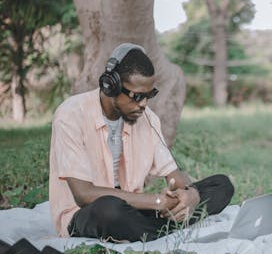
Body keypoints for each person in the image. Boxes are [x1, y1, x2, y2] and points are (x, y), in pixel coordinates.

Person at [49, 43, 234, 242]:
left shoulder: (148, 119)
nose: (144, 104)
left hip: (134, 210)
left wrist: (190, 196)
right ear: (111, 86)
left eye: (149, 95)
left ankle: (152, 231)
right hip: (88, 214)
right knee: (109, 209)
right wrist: (155, 201)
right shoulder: (70, 114)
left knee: (221, 185)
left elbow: (174, 175)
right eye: (137, 97)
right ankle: (164, 231)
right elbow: (83, 195)